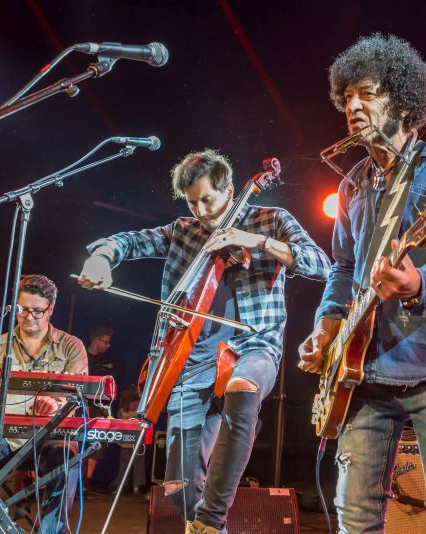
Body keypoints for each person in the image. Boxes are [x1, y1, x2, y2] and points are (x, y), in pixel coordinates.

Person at [78, 149, 330, 534]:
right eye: (192, 202)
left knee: (243, 388)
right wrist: (101, 257)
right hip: (188, 359)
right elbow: (129, 241)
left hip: (253, 346)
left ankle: (212, 521)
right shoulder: (184, 230)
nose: (200, 210)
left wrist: (256, 241)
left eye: (207, 199)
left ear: (229, 189)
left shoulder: (271, 219)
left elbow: (319, 264)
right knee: (178, 487)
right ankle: (209, 527)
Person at [299, 34, 426, 533]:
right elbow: (341, 268)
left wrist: (417, 281)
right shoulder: (351, 183)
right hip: (362, 372)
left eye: (368, 93)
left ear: (401, 100)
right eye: (347, 97)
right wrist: (326, 328)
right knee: (355, 517)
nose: (353, 106)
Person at [0, 274, 87, 534]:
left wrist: (56, 404)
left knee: (66, 457)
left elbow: (76, 398)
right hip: (1, 433)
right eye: (22, 310)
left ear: (51, 309)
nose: (28, 316)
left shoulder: (71, 347)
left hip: (49, 435)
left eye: (37, 311)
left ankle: (50, 531)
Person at [83, 324, 116, 493]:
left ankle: (85, 485)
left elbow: (112, 387)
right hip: (80, 406)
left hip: (100, 408)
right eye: (105, 341)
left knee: (97, 445)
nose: (107, 345)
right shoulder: (81, 356)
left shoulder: (108, 360)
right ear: (95, 340)